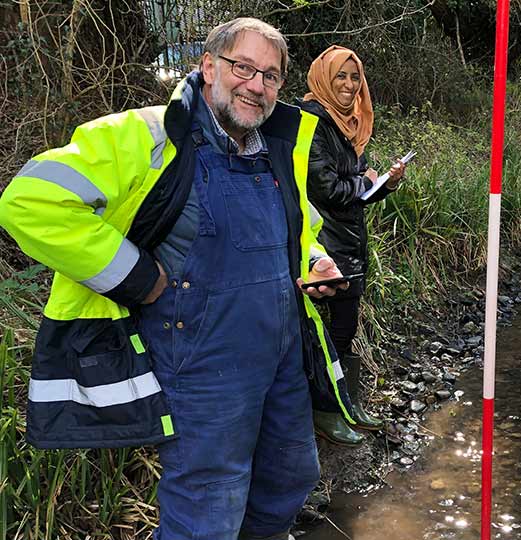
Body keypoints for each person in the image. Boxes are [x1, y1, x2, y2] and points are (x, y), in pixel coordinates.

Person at [0, 18, 356, 540]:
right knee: (209, 507)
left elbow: (291, 229)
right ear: (207, 66)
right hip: (199, 365)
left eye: (272, 75)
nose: (257, 85)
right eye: (244, 67)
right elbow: (28, 202)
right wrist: (136, 276)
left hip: (280, 358)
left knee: (290, 477)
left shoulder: (278, 148)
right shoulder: (147, 135)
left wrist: (313, 262)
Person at [297, 46, 406, 446]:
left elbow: (354, 189)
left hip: (350, 238)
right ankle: (324, 411)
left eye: (354, 77)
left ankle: (345, 402)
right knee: (323, 332)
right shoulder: (313, 121)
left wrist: (384, 184)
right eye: (340, 77)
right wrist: (367, 182)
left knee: (344, 328)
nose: (348, 85)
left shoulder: (347, 125)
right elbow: (325, 188)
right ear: (324, 78)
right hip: (323, 241)